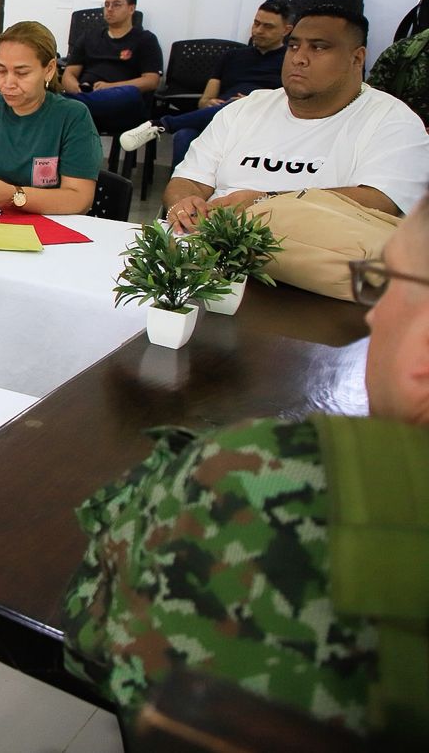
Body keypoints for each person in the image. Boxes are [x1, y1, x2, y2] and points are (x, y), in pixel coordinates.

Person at [62, 199, 429, 740]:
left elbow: (88, 635)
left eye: (385, 283)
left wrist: (179, 477)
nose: (373, 313)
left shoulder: (268, 480)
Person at [162, 6, 429, 233]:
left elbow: (379, 201)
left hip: (314, 266)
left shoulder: (393, 121)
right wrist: (183, 205)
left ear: (356, 58)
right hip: (210, 253)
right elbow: (190, 180)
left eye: (318, 48)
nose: (299, 59)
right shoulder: (245, 109)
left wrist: (264, 204)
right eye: (293, 46)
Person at [0, 21, 101, 214]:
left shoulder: (72, 117)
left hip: (44, 230)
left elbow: (79, 199)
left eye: (21, 73)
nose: (8, 83)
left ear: (49, 69)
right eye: (1, 70)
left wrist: (15, 196)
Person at [119, 0, 293, 160]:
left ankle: (161, 124)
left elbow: (286, 101)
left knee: (238, 105)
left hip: (258, 119)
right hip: (220, 116)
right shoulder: (231, 56)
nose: (258, 30)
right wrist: (209, 103)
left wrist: (252, 102)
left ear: (286, 30)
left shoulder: (291, 61)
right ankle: (180, 190)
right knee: (185, 134)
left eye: (268, 26)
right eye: (256, 23)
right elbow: (204, 100)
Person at [61, 0, 163, 133]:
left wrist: (112, 87)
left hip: (123, 104)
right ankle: (79, 102)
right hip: (87, 93)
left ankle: (71, 104)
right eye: (107, 5)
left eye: (116, 5)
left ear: (131, 9)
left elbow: (151, 80)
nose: (109, 9)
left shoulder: (145, 39)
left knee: (129, 94)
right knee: (61, 94)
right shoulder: (89, 37)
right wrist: (76, 89)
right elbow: (69, 73)